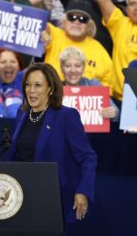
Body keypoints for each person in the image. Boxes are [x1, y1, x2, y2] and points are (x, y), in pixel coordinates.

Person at [9, 62, 97, 225]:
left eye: (38, 85)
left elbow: (87, 157)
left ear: (50, 89)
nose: (31, 90)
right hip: (23, 194)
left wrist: (83, 191)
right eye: (28, 85)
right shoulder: (22, 114)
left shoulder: (66, 116)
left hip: (54, 196)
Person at [42, 0, 113, 89]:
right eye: (72, 17)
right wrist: (38, 4)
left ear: (89, 25)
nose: (77, 22)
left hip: (88, 99)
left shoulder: (99, 49)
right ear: (64, 20)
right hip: (54, 95)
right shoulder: (53, 34)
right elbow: (40, 23)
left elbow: (109, 84)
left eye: (83, 19)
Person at [89, 0, 137, 101]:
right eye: (132, 4)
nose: (136, 7)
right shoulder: (120, 24)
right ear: (127, 9)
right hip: (120, 99)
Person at [60, 46, 119, 122]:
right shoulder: (54, 89)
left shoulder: (94, 85)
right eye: (67, 66)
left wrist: (113, 112)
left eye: (77, 66)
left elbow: (117, 113)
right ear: (61, 68)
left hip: (92, 133)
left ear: (84, 67)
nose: (73, 70)